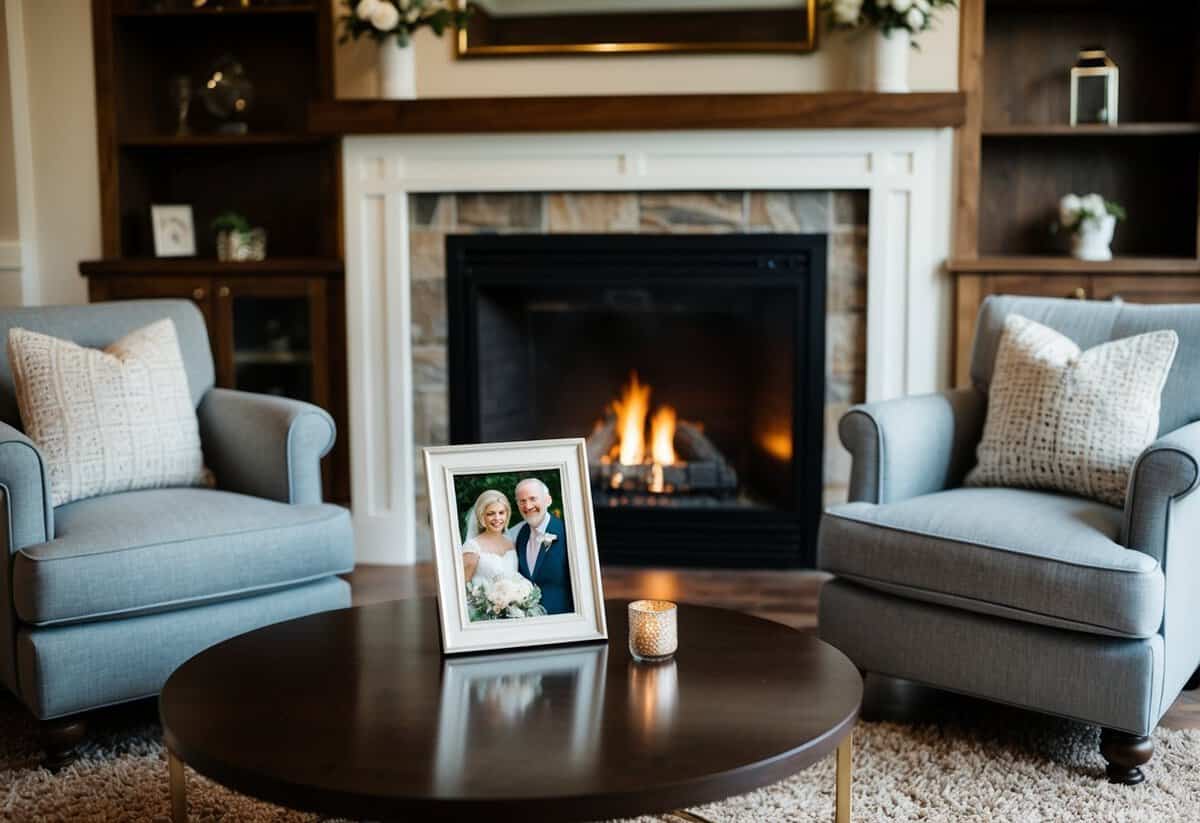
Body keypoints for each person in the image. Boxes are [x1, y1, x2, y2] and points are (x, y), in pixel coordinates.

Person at [513, 477, 574, 615]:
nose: (527, 506)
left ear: (548, 500)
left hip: (562, 620)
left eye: (533, 499)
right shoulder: (521, 534)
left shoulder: (566, 532)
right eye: (522, 501)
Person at [461, 490, 519, 586]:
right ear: (481, 516)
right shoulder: (472, 547)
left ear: (507, 514)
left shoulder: (511, 542)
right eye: (491, 513)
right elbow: (462, 586)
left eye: (501, 513)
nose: (497, 518)